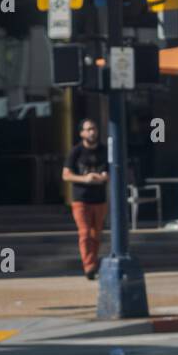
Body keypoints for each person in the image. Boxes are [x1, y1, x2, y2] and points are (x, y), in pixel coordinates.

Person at [63, 118, 109, 280]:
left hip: (99, 198)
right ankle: (89, 266)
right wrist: (85, 179)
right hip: (81, 199)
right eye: (88, 129)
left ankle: (93, 263)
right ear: (82, 133)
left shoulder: (104, 150)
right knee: (84, 233)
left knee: (96, 234)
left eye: (94, 129)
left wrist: (104, 177)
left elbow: (112, 171)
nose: (91, 132)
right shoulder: (76, 151)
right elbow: (66, 175)